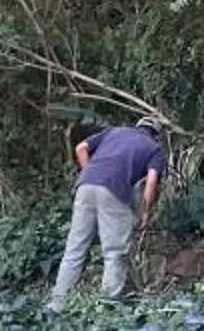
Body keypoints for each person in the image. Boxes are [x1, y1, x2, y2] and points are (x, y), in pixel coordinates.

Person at [47, 118, 164, 308]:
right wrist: (144, 213)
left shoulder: (114, 131)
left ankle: (57, 304)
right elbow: (150, 183)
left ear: (137, 126)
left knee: (75, 249)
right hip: (114, 191)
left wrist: (90, 171)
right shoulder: (154, 148)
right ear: (155, 135)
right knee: (114, 253)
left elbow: (80, 148)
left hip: (85, 186)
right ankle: (107, 307)